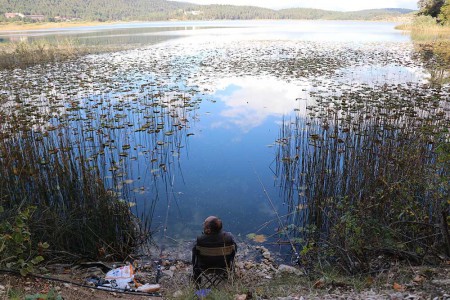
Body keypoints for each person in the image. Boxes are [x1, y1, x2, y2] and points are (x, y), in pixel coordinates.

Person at [192, 216, 237, 282]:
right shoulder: (229, 237)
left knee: (195, 254)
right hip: (224, 267)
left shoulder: (200, 240)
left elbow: (194, 253)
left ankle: (197, 279)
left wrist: (204, 235)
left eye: (204, 224)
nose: (203, 226)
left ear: (208, 229)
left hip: (204, 267)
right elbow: (234, 251)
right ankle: (228, 275)